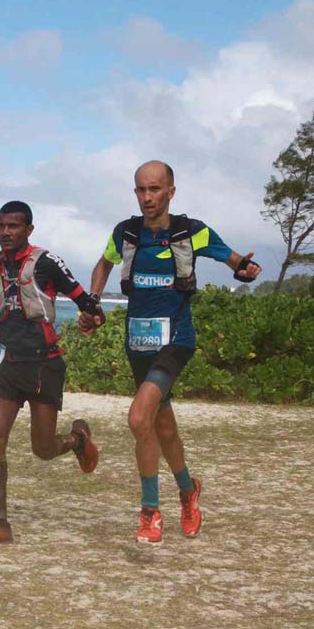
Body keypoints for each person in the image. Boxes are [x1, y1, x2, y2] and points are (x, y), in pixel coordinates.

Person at [79, 160, 261, 544]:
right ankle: (188, 490)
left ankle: (150, 512)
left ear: (170, 192)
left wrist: (243, 268)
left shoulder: (191, 232)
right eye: (141, 190)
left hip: (176, 341)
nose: (148, 197)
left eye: (155, 189)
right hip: (138, 343)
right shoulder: (125, 232)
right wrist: (93, 302)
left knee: (137, 417)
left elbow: (232, 258)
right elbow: (104, 263)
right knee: (161, 427)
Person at [0, 200, 106, 548]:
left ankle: (77, 440)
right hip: (8, 364)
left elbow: (86, 302)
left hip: (44, 364)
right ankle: (0, 524)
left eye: (14, 226)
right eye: (1, 226)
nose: (6, 232)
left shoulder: (46, 262)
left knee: (44, 449)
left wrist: (94, 319)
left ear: (28, 230)